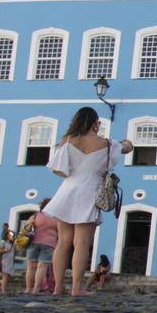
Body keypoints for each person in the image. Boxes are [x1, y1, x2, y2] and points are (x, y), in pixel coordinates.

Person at [43, 106, 133, 297]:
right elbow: (126, 147)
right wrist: (125, 141)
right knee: (82, 243)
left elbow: (58, 170)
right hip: (90, 192)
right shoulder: (107, 144)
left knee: (63, 242)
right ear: (95, 124)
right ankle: (77, 287)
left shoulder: (67, 141)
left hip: (67, 190)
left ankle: (58, 287)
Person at [22, 201, 56, 294]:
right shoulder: (57, 217)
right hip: (49, 244)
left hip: (33, 242)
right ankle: (36, 289)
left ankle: (28, 288)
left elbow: (25, 228)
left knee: (30, 266)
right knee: (42, 267)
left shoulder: (36, 215)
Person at [0, 227, 15, 293]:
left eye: (12, 235)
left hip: (10, 261)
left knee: (8, 277)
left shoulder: (12, 243)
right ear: (6, 235)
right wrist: (5, 250)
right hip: (3, 260)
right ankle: (3, 291)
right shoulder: (2, 242)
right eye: (10, 235)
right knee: (5, 276)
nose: (11, 236)